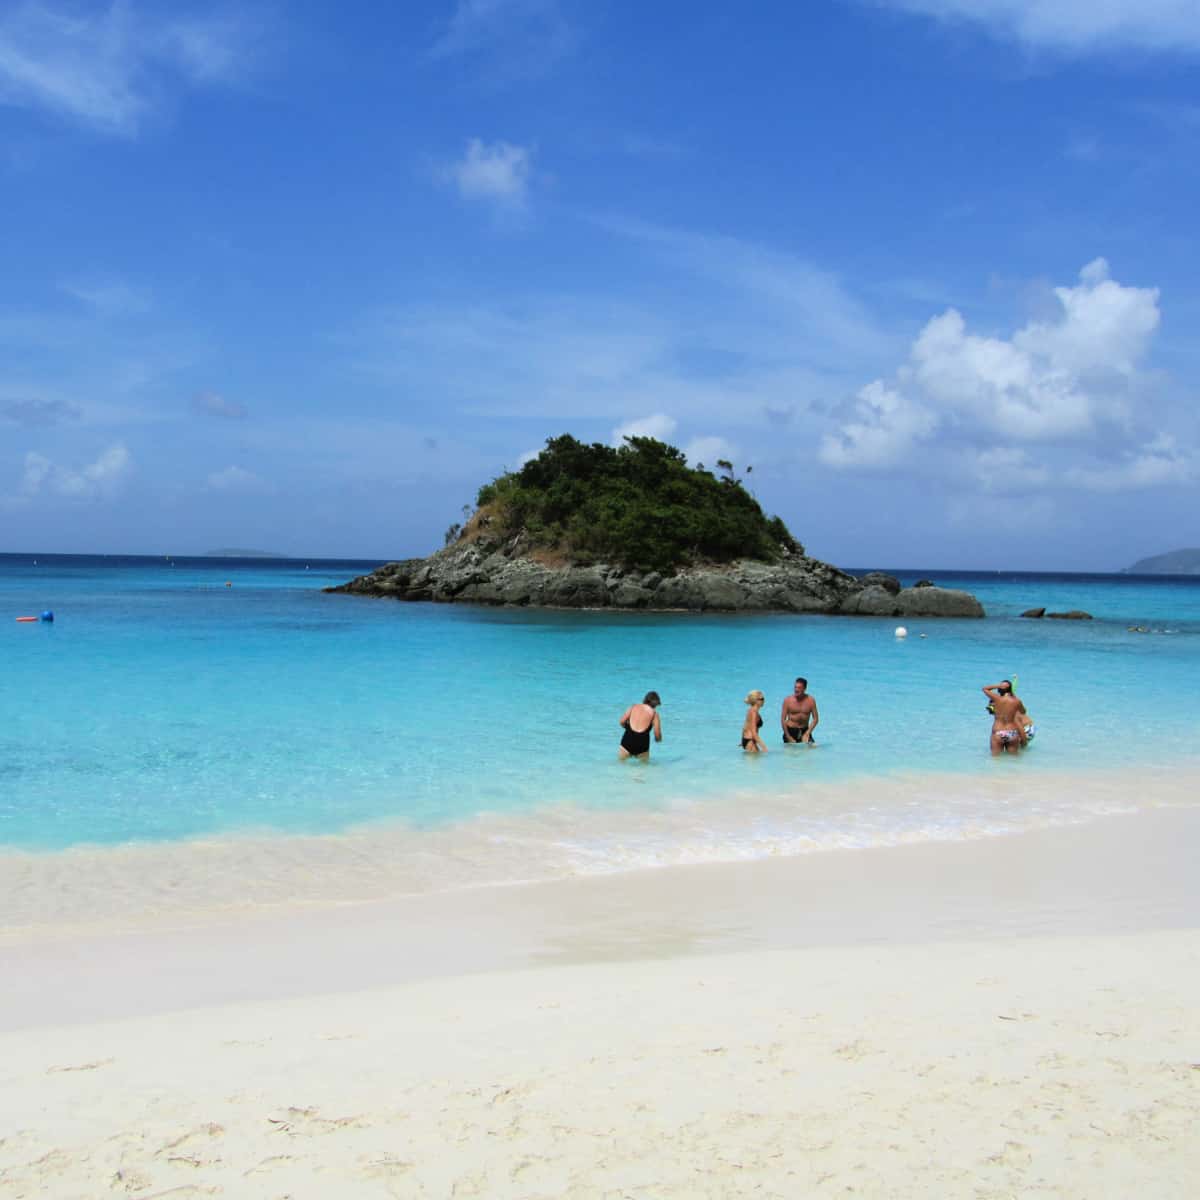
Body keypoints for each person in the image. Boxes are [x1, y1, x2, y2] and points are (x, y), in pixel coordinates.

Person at [982, 679, 1027, 755]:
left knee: (996, 761)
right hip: (1012, 732)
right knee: (1014, 760)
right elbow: (1023, 712)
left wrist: (998, 685)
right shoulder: (1017, 701)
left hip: (998, 732)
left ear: (1000, 689)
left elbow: (985, 689)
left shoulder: (996, 699)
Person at [618, 691, 663, 760]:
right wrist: (658, 739)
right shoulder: (654, 715)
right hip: (642, 745)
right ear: (655, 703)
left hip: (627, 741)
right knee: (643, 769)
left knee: (620, 766)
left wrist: (628, 729)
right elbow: (657, 734)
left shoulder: (633, 707)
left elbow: (621, 722)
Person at [781, 677, 819, 744]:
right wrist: (788, 736)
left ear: (804, 689)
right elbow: (783, 720)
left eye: (799, 688)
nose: (796, 689)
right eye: (795, 687)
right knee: (791, 753)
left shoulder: (811, 701)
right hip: (790, 731)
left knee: (813, 748)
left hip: (805, 730)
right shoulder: (787, 700)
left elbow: (815, 719)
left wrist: (807, 733)